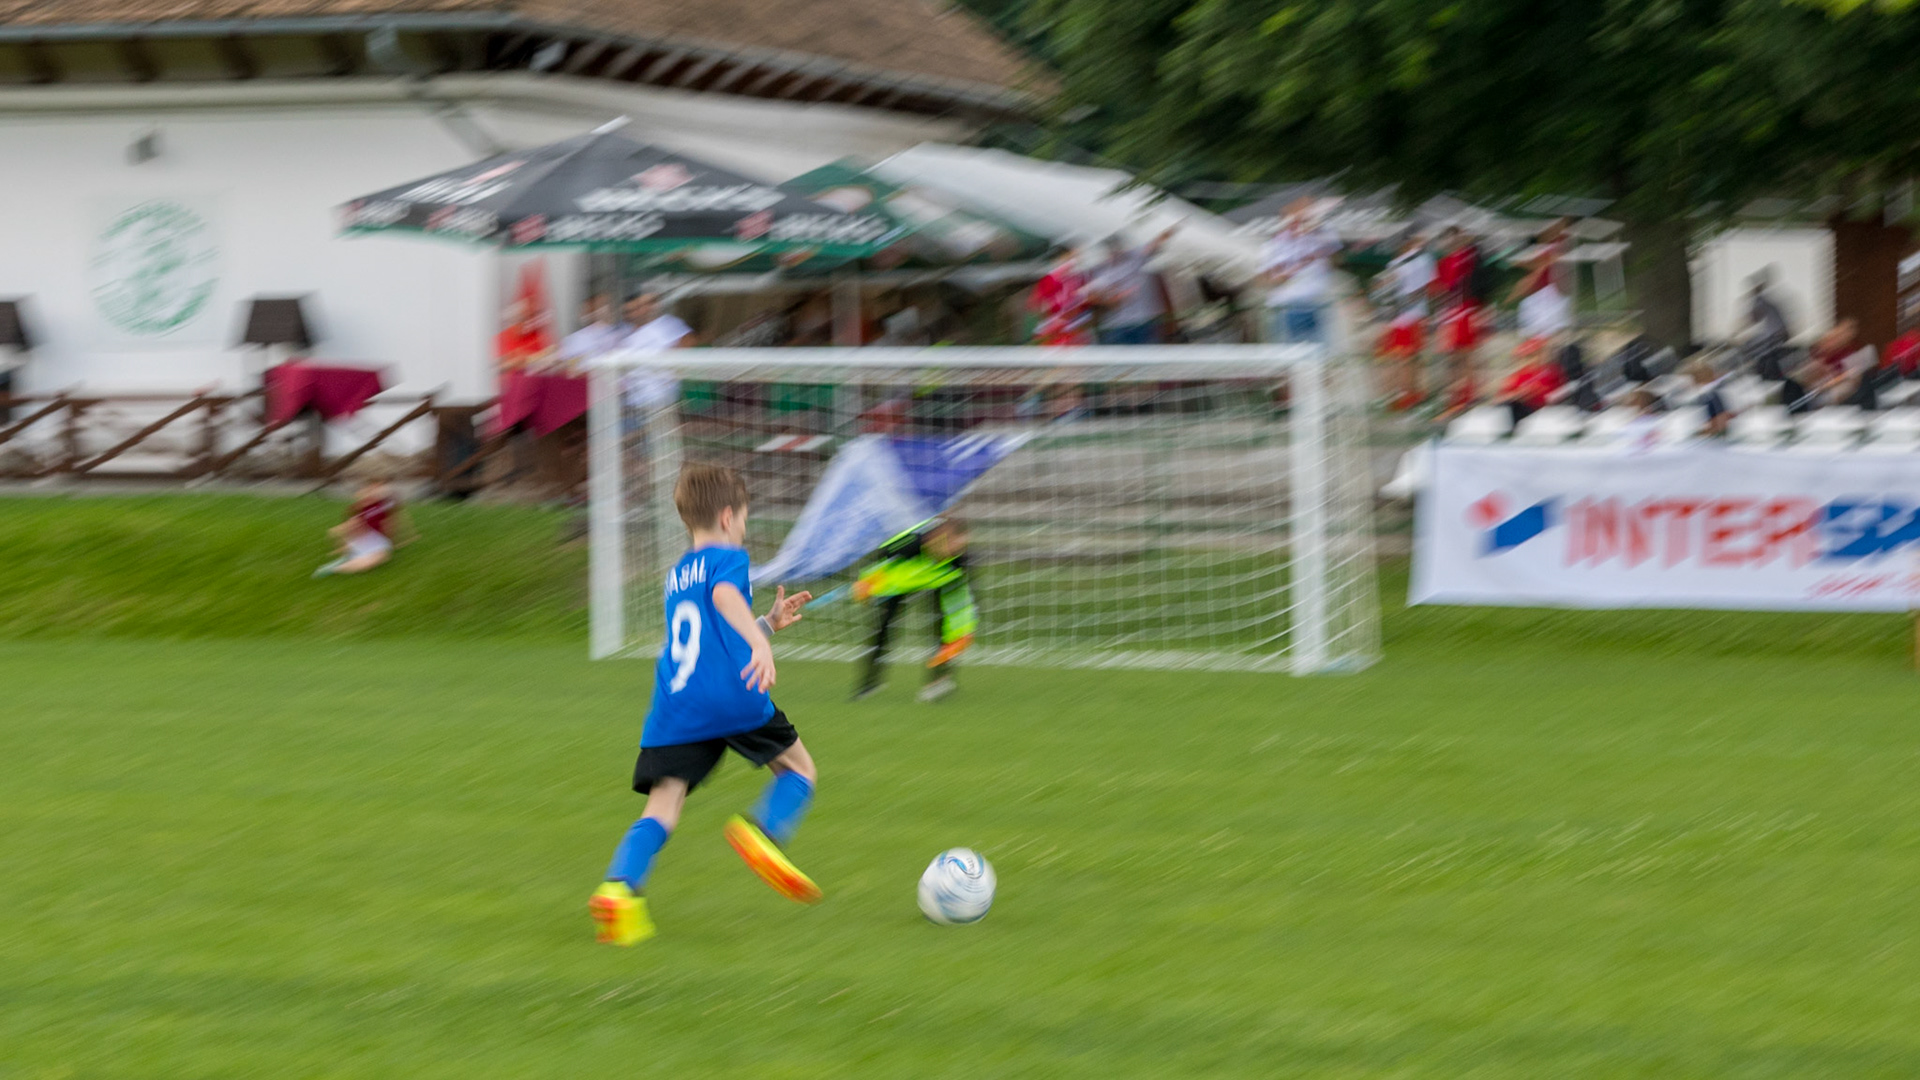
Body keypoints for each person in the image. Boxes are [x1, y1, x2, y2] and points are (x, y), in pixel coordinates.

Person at [590, 464, 821, 946]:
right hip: (731, 694)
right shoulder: (729, 559)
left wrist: (768, 625)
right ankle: (763, 833)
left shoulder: (677, 574)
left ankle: (619, 889)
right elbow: (721, 598)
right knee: (799, 771)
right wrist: (760, 647)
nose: (743, 528)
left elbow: (710, 632)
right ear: (726, 517)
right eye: (743, 518)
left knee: (663, 804)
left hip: (675, 704)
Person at [851, 516, 978, 703]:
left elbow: (964, 601)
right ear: (935, 538)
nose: (953, 550)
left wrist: (964, 630)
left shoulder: (959, 559)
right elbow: (881, 561)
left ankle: (939, 679)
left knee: (944, 626)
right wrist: (868, 584)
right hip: (901, 578)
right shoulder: (908, 545)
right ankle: (869, 682)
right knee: (884, 624)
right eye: (949, 545)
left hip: (939, 580)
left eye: (958, 546)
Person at [1260, 199, 1342, 344]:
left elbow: (1335, 260)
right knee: (1290, 356)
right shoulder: (1272, 245)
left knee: (1320, 357)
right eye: (1293, 218)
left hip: (1316, 304)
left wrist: (1316, 227)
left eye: (1302, 218)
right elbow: (1263, 280)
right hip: (1287, 308)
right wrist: (1281, 278)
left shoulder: (1317, 238)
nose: (1298, 222)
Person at [1375, 233, 1435, 409]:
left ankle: (1410, 394)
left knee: (1409, 358)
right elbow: (1388, 289)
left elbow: (1424, 288)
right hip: (1402, 318)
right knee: (1403, 358)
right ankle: (1404, 394)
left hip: (1411, 316)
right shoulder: (1397, 264)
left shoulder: (1421, 261)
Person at [1089, 228, 1177, 344]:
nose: (1115, 252)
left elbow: (1155, 243)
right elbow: (1094, 298)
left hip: (1143, 321)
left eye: (1116, 248)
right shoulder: (1101, 270)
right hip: (1117, 325)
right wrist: (1114, 298)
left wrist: (1169, 230)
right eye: (1111, 249)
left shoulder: (1135, 256)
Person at [314, 477, 412, 577]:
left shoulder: (385, 504)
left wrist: (396, 540)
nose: (376, 491)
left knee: (380, 558)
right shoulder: (364, 508)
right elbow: (350, 525)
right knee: (372, 560)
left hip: (376, 541)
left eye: (379, 488)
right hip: (366, 540)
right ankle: (336, 567)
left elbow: (394, 521)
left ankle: (346, 560)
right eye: (372, 489)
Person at [1030, 246, 1094, 346]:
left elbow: (1086, 305)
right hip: (1055, 331)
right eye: (1064, 259)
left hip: (1075, 328)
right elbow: (1038, 305)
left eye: (1069, 258)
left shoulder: (1079, 278)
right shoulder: (1048, 280)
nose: (1067, 262)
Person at [554, 293, 623, 368]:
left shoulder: (619, 333)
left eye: (606, 305)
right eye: (600, 306)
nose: (604, 310)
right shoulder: (574, 339)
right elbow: (562, 361)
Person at [1684, 359, 1733, 436]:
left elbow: (1721, 425)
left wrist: (1701, 434)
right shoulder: (1704, 395)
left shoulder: (1711, 395)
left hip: (1717, 438)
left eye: (1692, 377)